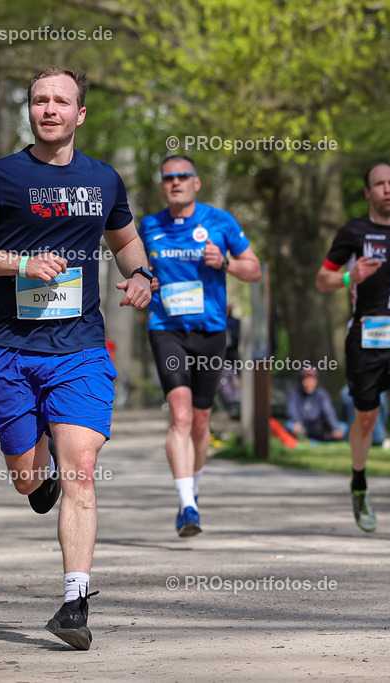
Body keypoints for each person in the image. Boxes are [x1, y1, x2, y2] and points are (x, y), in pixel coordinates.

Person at [0, 67, 151, 651]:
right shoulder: (0, 176)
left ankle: (74, 602)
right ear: (29, 112)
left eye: (62, 101)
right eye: (40, 100)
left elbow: (125, 240)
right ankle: (40, 482)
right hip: (11, 350)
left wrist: (140, 275)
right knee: (27, 480)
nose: (50, 109)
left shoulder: (104, 180)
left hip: (80, 349)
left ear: (81, 114)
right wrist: (20, 263)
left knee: (81, 471)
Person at [140, 154, 261, 537]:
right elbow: (137, 270)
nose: (175, 182)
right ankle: (187, 504)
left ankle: (194, 486)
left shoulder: (220, 222)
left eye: (182, 176)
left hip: (210, 332)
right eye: (168, 177)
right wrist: (145, 280)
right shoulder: (149, 226)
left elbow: (254, 270)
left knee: (202, 419)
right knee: (180, 415)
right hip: (167, 329)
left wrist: (225, 263)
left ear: (197, 183)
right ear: (162, 185)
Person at [315, 163, 390, 532]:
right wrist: (350, 276)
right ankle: (359, 483)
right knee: (366, 418)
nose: (386, 190)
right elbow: (322, 279)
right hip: (365, 335)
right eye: (379, 184)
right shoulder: (353, 232)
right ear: (367, 192)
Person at [285, 367, 346, 442]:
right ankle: (307, 440)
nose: (308, 382)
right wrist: (297, 422)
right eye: (305, 379)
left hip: (320, 427)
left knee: (343, 427)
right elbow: (292, 410)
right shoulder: (294, 394)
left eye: (311, 379)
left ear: (316, 381)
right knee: (289, 425)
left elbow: (329, 412)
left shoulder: (322, 394)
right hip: (303, 426)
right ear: (301, 381)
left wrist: (335, 428)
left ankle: (317, 440)